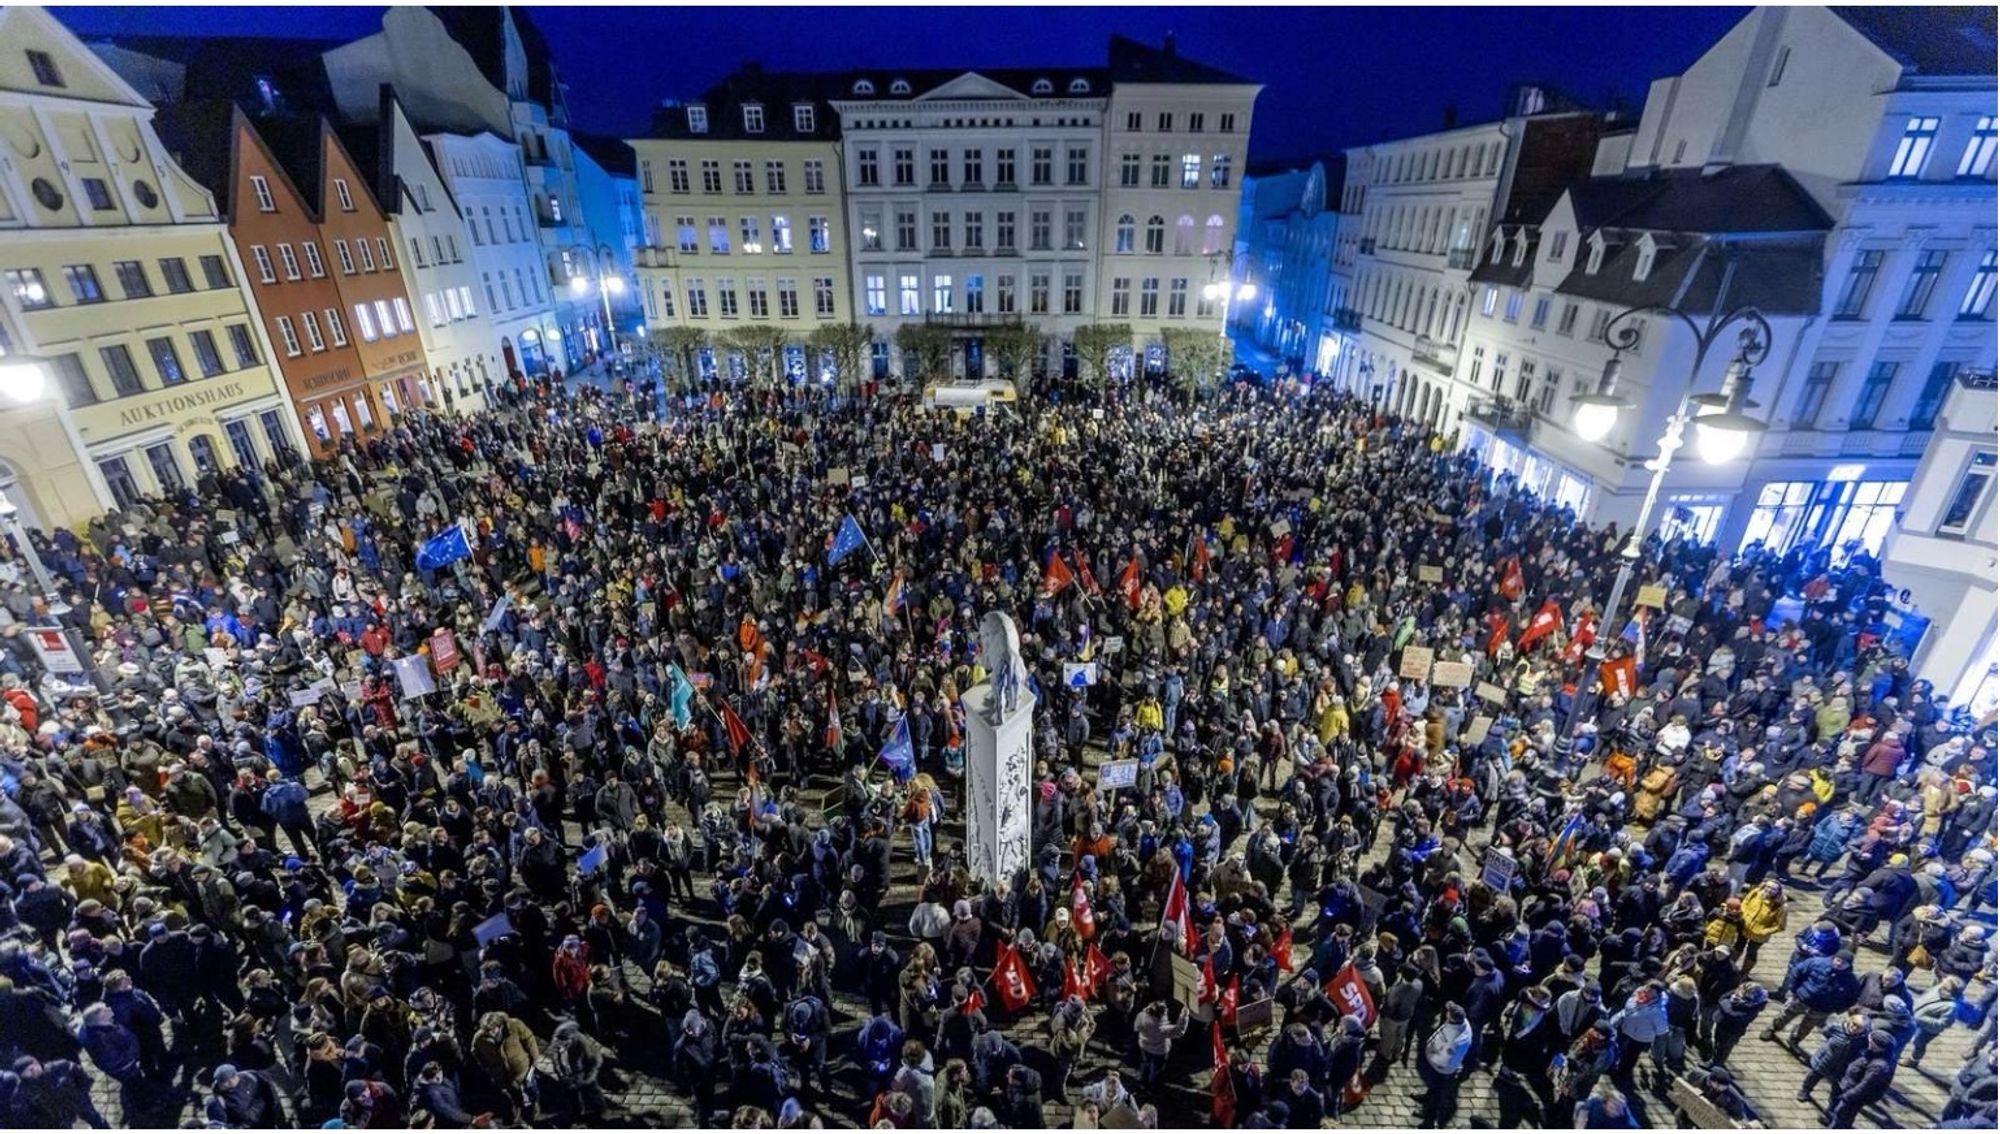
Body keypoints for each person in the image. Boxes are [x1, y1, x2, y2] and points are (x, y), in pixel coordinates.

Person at [1416, 1002, 1472, 1128]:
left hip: (1442, 1069)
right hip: (1436, 1063)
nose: (1446, 1013)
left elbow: (1447, 1059)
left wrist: (1433, 1059)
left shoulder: (1458, 1040)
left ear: (1452, 1017)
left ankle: (1429, 1118)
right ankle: (1426, 1097)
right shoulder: (1457, 1022)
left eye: (1449, 1013)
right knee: (1433, 1088)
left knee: (1437, 1094)